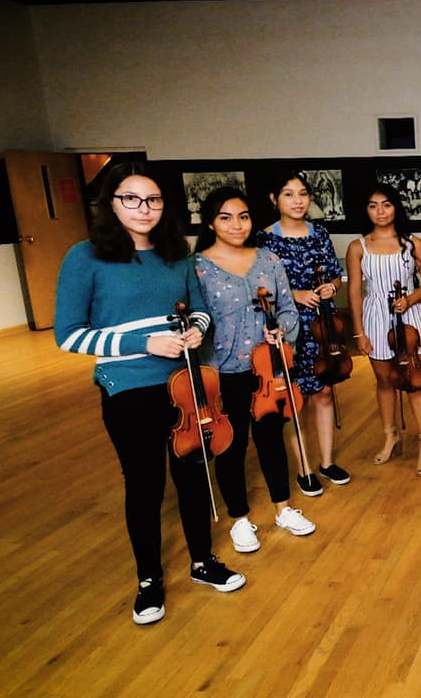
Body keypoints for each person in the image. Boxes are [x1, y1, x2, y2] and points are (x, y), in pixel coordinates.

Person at [54, 162, 244, 626]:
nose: (144, 208)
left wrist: (197, 331)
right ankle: (149, 580)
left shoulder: (177, 256)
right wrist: (144, 343)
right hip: (129, 388)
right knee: (144, 486)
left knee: (194, 475)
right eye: (132, 199)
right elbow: (69, 334)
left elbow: (199, 312)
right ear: (110, 204)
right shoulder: (85, 257)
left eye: (154, 199)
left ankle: (203, 562)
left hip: (185, 382)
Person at [192, 187, 317, 555]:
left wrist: (282, 331)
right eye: (226, 217)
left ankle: (283, 508)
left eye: (243, 216)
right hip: (223, 370)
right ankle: (239, 519)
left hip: (267, 368)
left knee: (271, 438)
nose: (236, 225)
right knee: (231, 445)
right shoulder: (197, 267)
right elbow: (199, 322)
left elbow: (287, 310)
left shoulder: (268, 259)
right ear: (211, 222)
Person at [255, 171, 351, 496]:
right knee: (296, 400)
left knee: (323, 393)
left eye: (302, 194)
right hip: (287, 327)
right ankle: (304, 469)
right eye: (288, 194)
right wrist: (294, 294)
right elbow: (260, 287)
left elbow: (337, 276)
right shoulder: (264, 238)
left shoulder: (320, 233)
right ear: (274, 199)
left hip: (323, 325)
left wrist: (330, 287)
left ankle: (326, 462)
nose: (298, 201)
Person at [346, 183, 421, 477]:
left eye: (386, 204)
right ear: (366, 210)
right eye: (373, 205)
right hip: (375, 315)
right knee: (384, 380)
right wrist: (359, 332)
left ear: (396, 207)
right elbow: (354, 294)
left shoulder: (413, 243)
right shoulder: (357, 246)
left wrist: (409, 299)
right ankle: (390, 436)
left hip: (409, 315)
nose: (380, 211)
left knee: (415, 380)